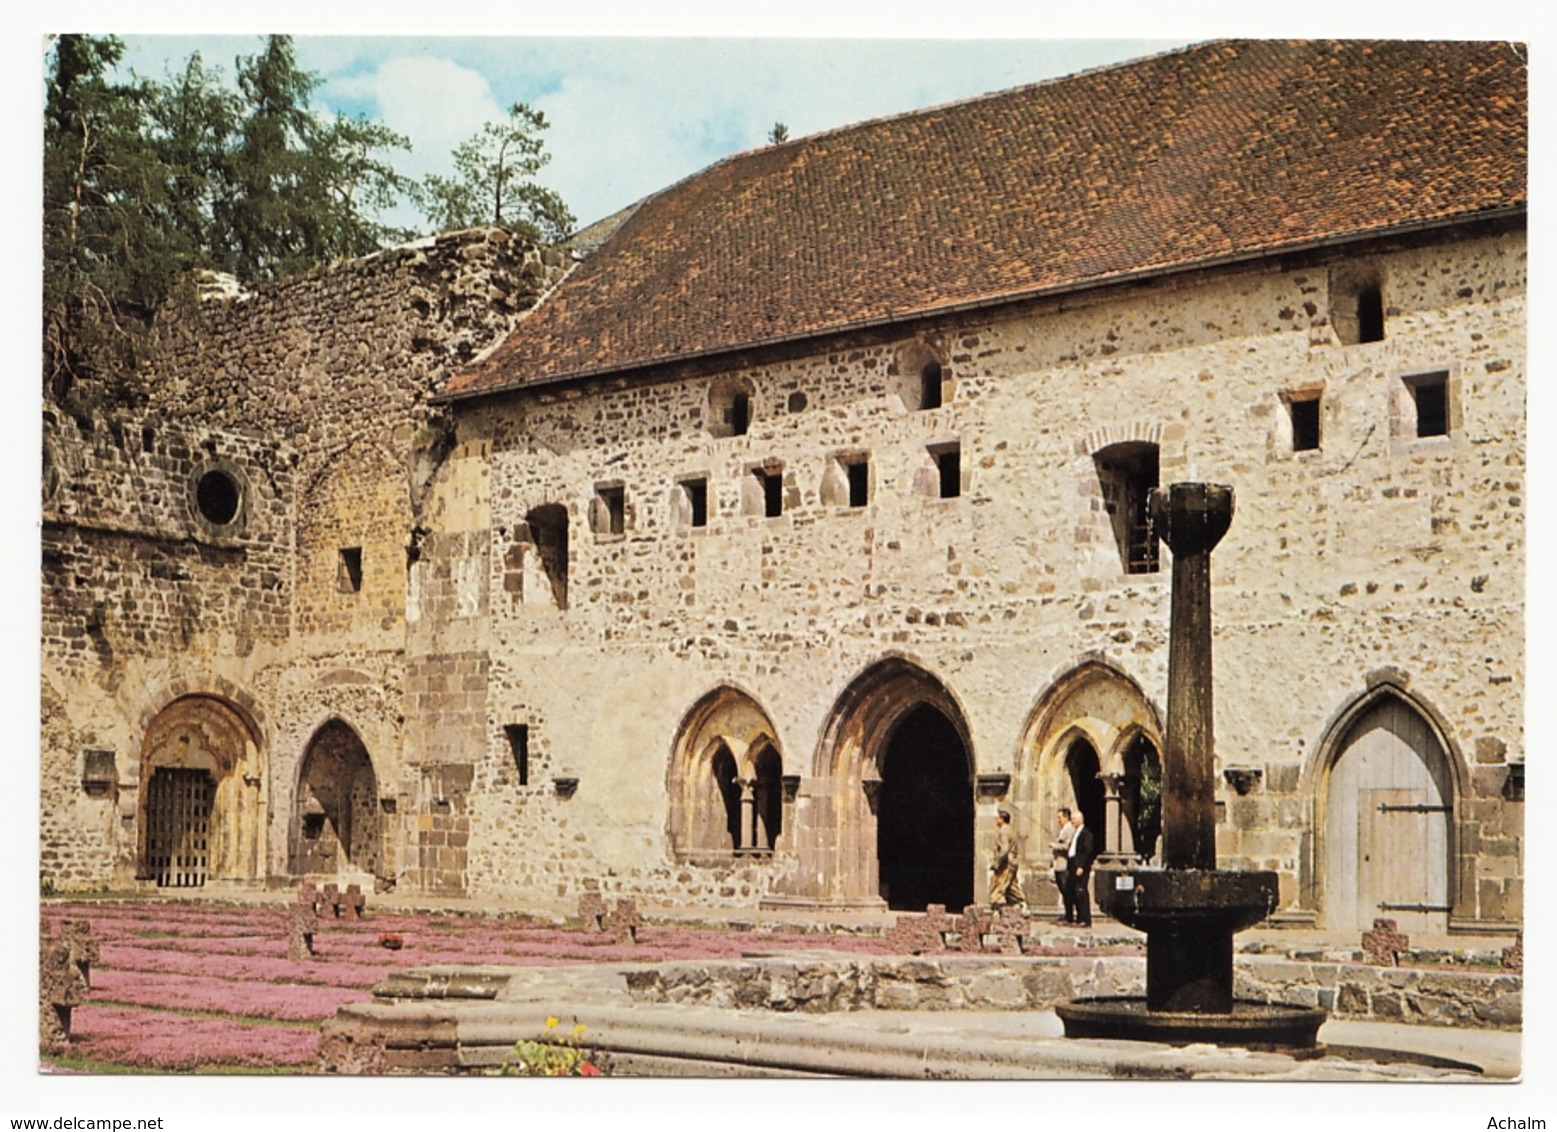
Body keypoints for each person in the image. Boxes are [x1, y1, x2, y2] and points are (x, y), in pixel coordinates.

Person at [987, 808, 1025, 909]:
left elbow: (1005, 849)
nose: (995, 820)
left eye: (997, 818)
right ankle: (1021, 904)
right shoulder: (1011, 830)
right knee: (1011, 886)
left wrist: (997, 862)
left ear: (1002, 819)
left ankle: (996, 909)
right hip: (1013, 862)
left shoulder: (1003, 831)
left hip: (1006, 863)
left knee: (998, 886)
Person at [1065, 809, 1097, 927]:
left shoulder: (1086, 833)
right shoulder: (1076, 832)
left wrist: (1081, 866)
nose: (1072, 821)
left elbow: (1087, 851)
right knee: (1073, 891)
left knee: (1081, 891)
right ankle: (1079, 917)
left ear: (1080, 819)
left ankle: (1085, 918)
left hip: (1080, 865)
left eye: (1073, 819)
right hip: (1073, 864)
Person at [1050, 807, 1076, 921]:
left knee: (1067, 891)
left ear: (1066, 817)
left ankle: (1069, 916)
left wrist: (1055, 846)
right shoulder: (1064, 829)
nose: (1058, 820)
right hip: (1058, 865)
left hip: (1064, 865)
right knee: (1064, 891)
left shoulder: (1069, 829)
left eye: (1060, 818)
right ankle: (1067, 915)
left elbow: (1069, 846)